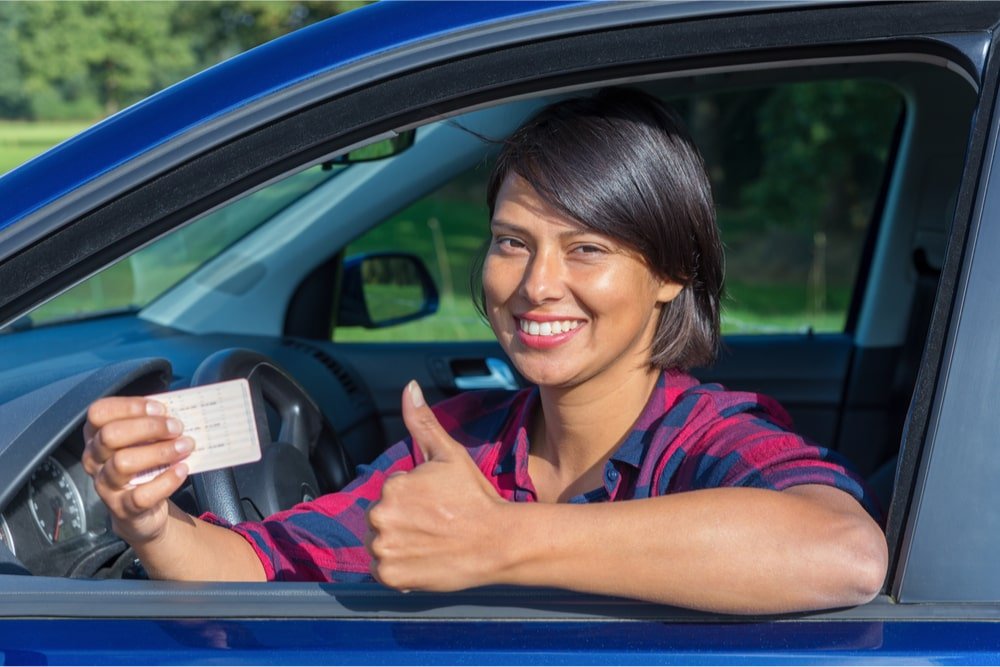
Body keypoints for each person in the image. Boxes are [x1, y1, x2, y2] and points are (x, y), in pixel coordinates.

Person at [82, 88, 887, 614]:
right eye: (511, 242)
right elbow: (253, 572)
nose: (536, 284)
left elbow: (843, 551)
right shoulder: (465, 439)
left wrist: (499, 539)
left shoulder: (706, 437)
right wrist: (149, 519)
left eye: (587, 249)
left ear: (673, 273)